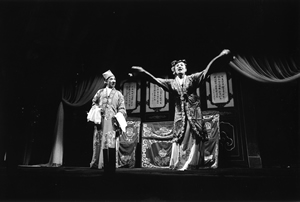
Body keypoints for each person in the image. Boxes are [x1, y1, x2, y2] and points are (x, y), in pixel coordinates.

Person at [130, 49, 233, 170]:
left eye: (182, 65)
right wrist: (143, 72)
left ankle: (192, 163)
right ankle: (179, 163)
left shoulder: (193, 79)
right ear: (173, 70)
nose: (179, 67)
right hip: (180, 115)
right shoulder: (171, 83)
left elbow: (207, 71)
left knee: (194, 137)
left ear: (186, 69)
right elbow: (155, 80)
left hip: (194, 114)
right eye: (177, 66)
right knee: (181, 137)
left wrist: (219, 57)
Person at [87, 70, 127, 173]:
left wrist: (119, 114)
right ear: (106, 81)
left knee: (110, 142)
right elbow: (94, 103)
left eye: (114, 79)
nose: (113, 81)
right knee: (99, 141)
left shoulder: (118, 94)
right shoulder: (99, 92)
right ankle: (97, 162)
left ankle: (109, 163)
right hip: (101, 121)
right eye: (111, 79)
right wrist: (97, 109)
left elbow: (122, 108)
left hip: (112, 122)